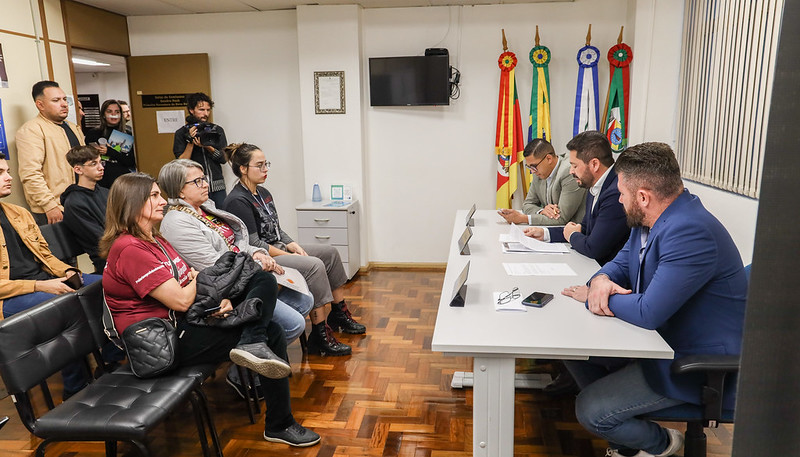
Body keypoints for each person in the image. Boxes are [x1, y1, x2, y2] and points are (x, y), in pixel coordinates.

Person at [100, 172, 320, 447]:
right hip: (160, 342)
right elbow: (181, 298)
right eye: (154, 196)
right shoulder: (130, 248)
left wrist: (215, 304)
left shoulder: (153, 239)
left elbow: (189, 284)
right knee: (271, 330)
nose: (163, 201)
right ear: (132, 204)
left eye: (160, 194)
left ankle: (257, 353)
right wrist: (195, 284)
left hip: (183, 323)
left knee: (261, 282)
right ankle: (279, 421)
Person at [561, 142, 747, 457]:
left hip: (693, 362)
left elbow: (648, 312)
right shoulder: (651, 218)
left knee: (591, 410)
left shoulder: (691, 231)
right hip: (659, 341)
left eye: (621, 193)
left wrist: (593, 295)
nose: (618, 199)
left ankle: (663, 444)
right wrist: (602, 280)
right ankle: (627, 435)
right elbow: (619, 264)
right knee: (573, 350)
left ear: (643, 197)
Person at [157, 159, 313, 397]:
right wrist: (257, 263)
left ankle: (252, 342)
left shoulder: (204, 208)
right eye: (197, 181)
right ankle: (241, 368)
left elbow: (236, 244)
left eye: (204, 178)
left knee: (303, 300)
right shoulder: (177, 222)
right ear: (179, 190)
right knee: (293, 324)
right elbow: (215, 266)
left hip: (242, 272)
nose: (205, 184)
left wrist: (258, 252)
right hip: (224, 289)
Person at [223, 143, 365, 357]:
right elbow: (254, 243)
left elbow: (276, 229)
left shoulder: (263, 192)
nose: (265, 170)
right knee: (315, 265)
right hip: (262, 258)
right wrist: (289, 255)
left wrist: (292, 244)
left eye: (266, 164)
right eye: (259, 166)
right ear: (243, 168)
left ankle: (339, 313)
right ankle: (319, 334)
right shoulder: (237, 200)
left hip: (278, 248)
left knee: (330, 253)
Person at [0, 152, 101, 399]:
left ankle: (110, 361)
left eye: (7, 171)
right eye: (1, 173)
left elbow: (45, 256)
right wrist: (39, 287)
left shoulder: (18, 213)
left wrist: (67, 271)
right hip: (10, 296)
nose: (9, 177)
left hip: (44, 281)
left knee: (107, 286)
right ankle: (76, 389)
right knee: (67, 305)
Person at [524, 131, 629, 266]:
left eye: (574, 166)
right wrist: (545, 233)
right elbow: (584, 229)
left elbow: (594, 248)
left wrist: (572, 235)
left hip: (608, 273)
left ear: (594, 164)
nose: (571, 171)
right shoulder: (594, 184)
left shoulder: (616, 193)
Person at [16, 80, 84, 225]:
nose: (64, 104)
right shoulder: (31, 130)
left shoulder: (73, 127)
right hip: (55, 208)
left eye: (64, 99)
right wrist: (49, 205)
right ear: (40, 105)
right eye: (56, 100)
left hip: (80, 201)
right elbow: (30, 173)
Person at [498, 138, 586, 226]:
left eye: (534, 166)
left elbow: (561, 218)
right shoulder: (539, 172)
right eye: (529, 167)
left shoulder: (569, 171)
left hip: (575, 230)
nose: (532, 171)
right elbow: (527, 204)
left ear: (549, 159)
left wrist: (523, 218)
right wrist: (541, 211)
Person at [173, 93, 228, 207]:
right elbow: (181, 163)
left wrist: (207, 146)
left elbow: (224, 158)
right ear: (191, 110)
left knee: (221, 218)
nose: (205, 114)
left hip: (217, 186)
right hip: (193, 188)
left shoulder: (217, 130)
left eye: (208, 110)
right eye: (201, 109)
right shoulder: (181, 133)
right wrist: (190, 142)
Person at [61, 145, 108, 272]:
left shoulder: (105, 192)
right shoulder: (74, 204)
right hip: (107, 259)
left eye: (100, 162)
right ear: (78, 169)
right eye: (93, 164)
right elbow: (100, 241)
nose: (101, 167)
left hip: (124, 249)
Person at [84, 99, 136, 189]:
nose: (113, 114)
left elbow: (131, 161)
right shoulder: (94, 133)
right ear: (103, 114)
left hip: (123, 181)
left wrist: (109, 151)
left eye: (117, 111)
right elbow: (86, 158)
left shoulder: (127, 132)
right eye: (109, 111)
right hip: (101, 181)